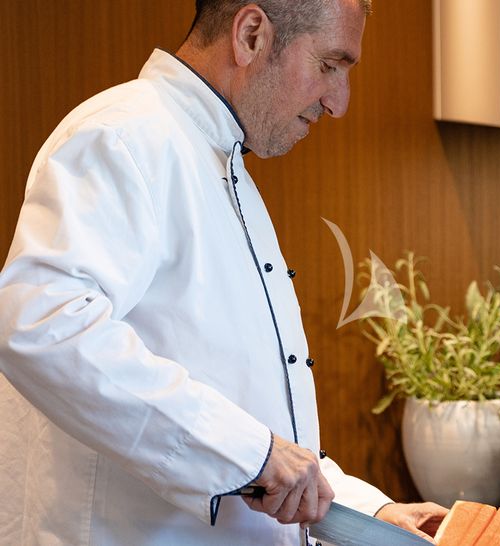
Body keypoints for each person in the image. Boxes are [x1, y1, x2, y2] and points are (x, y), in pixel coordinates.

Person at [0, 0, 447, 544]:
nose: (339, 102)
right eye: (330, 66)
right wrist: (250, 454)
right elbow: (41, 325)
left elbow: (253, 430)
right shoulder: (123, 137)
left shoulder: (216, 158)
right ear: (252, 34)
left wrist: (369, 515)